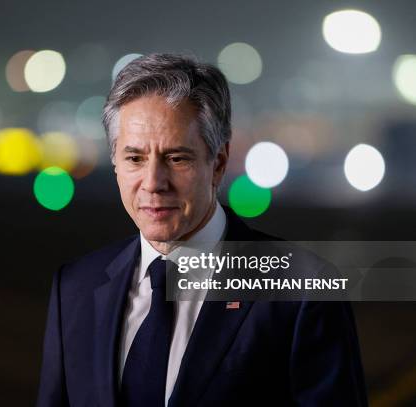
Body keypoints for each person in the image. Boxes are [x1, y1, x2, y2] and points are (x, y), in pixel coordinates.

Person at [36, 53, 367, 406]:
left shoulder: (300, 293)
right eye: (135, 159)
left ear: (219, 163)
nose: (153, 183)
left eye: (177, 158)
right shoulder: (74, 289)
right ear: (115, 162)